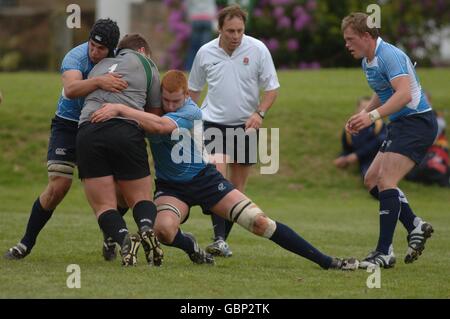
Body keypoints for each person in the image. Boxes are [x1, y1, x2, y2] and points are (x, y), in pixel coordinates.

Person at [91, 70, 359, 270]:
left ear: (187, 96)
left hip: (205, 179)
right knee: (164, 231)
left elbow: (161, 127)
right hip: (171, 188)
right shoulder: (152, 110)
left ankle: (327, 262)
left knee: (260, 223)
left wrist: (119, 108)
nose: (171, 105)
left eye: (176, 101)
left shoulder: (192, 113)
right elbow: (147, 119)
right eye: (166, 101)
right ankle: (191, 246)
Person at [4, 18, 125, 260]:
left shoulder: (120, 61)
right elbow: (71, 90)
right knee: (58, 186)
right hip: (68, 125)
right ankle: (25, 243)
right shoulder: (75, 57)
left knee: (120, 190)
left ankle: (110, 237)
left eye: (101, 49)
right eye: (92, 44)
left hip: (99, 123)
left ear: (111, 49)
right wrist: (99, 81)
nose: (94, 51)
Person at [342, 12, 438, 269]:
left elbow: (404, 94)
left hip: (417, 123)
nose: (347, 44)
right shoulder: (368, 61)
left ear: (366, 36)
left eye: (351, 39)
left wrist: (372, 116)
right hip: (401, 125)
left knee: (386, 180)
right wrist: (363, 114)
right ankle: (415, 225)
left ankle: (384, 252)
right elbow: (382, 92)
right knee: (372, 179)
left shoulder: (389, 55)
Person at [188, 4, 280, 257]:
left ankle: (220, 241)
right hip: (212, 124)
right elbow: (193, 89)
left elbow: (272, 88)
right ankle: (219, 237)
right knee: (219, 181)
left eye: (240, 30)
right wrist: (187, 121)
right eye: (230, 31)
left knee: (237, 189)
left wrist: (259, 113)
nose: (236, 36)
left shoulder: (258, 49)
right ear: (220, 29)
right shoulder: (205, 52)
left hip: (246, 126)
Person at [77, 34, 163, 266]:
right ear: (143, 51)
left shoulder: (98, 67)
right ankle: (146, 227)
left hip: (88, 131)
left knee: (104, 206)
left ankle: (124, 239)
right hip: (125, 131)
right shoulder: (148, 65)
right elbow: (153, 115)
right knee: (141, 198)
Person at [334, 96, 387, 179]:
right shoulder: (351, 127)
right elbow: (347, 148)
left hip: (377, 159)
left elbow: (378, 143)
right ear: (357, 109)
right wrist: (344, 157)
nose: (367, 110)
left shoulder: (379, 125)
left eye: (371, 108)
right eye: (363, 107)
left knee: (372, 177)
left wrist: (357, 155)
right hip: (362, 160)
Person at [185, 0, 218, 71]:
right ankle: (206, 69)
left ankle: (189, 69)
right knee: (206, 48)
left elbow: (187, 5)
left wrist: (189, 17)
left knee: (193, 48)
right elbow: (213, 6)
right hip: (207, 19)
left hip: (195, 18)